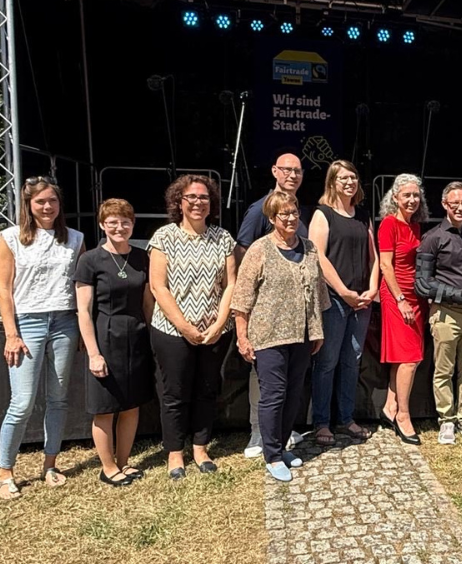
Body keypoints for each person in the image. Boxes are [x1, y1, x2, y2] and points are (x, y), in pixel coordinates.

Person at [0, 176, 85, 500]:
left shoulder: (75, 238)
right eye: (40, 202)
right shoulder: (10, 238)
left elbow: (81, 286)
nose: (47, 207)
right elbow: (4, 290)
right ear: (29, 205)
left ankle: (50, 465)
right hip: (27, 325)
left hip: (64, 321)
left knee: (58, 399)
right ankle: (6, 472)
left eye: (53, 201)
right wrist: (11, 334)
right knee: (22, 402)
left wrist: (83, 328)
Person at [232, 191, 329, 482]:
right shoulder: (259, 249)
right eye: (283, 214)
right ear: (272, 218)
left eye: (294, 212)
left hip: (302, 335)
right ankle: (272, 455)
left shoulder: (309, 248)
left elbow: (318, 291)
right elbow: (242, 297)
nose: (290, 218)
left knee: (293, 394)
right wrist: (242, 337)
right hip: (268, 336)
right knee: (273, 396)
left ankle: (283, 445)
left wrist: (317, 330)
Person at [148, 174, 236, 480]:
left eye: (204, 197)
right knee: (175, 393)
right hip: (172, 331)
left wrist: (220, 324)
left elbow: (230, 285)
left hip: (215, 331)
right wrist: (185, 326)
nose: (198, 203)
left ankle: (200, 448)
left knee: (207, 389)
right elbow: (158, 287)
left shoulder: (223, 238)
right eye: (192, 197)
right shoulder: (163, 237)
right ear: (179, 202)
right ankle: (175, 452)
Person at [75, 198, 155, 486]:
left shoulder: (142, 257)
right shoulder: (90, 260)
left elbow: (148, 303)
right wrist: (94, 354)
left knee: (131, 406)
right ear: (102, 225)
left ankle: (123, 462)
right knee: (105, 408)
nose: (119, 227)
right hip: (105, 338)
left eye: (125, 222)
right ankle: (108, 467)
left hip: (137, 337)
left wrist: (152, 337)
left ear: (132, 224)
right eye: (112, 222)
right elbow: (84, 311)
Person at [236, 153, 309, 458]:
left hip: (294, 321)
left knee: (287, 383)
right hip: (264, 318)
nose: (292, 175)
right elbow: (243, 255)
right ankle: (258, 431)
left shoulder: (300, 211)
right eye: (286, 170)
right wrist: (247, 312)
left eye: (298, 170)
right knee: (265, 380)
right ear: (274, 171)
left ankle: (279, 432)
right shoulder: (259, 210)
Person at [308, 160, 379, 447]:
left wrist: (372, 288)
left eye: (353, 177)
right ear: (332, 182)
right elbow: (318, 257)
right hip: (334, 300)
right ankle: (322, 422)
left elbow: (373, 257)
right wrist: (343, 291)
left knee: (352, 361)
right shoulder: (322, 214)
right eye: (343, 178)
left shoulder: (363, 215)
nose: (349, 182)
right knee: (327, 362)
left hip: (362, 301)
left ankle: (346, 418)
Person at [415, 181, 462, 445]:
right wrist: (460, 295)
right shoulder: (433, 237)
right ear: (444, 204)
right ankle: (446, 420)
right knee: (443, 370)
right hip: (446, 314)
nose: (460, 207)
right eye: (455, 202)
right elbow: (422, 284)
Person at [378, 173, 429, 445]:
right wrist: (400, 299)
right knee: (409, 358)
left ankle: (390, 406)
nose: (411, 199)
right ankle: (403, 416)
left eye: (416, 195)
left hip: (416, 297)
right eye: (406, 195)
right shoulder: (389, 224)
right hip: (396, 295)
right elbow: (385, 265)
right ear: (395, 197)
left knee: (406, 358)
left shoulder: (416, 226)